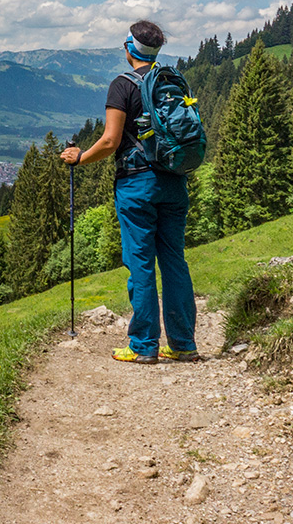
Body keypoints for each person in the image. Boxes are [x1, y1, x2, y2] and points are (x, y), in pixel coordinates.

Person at [60, 20, 198, 364]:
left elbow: (110, 141)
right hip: (174, 180)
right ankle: (183, 344)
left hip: (137, 184)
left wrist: (80, 158)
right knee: (174, 262)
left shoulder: (122, 85)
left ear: (129, 48)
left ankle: (143, 346)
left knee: (141, 265)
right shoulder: (170, 81)